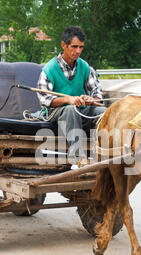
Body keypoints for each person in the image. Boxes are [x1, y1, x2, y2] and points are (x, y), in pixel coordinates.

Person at [36, 26, 105, 163]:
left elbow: (98, 94)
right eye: (74, 46)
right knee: (70, 110)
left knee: (103, 111)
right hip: (56, 112)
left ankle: (106, 150)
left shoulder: (85, 67)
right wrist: (67, 99)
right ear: (63, 45)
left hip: (81, 109)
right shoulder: (49, 69)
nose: (78, 51)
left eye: (81, 47)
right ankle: (79, 157)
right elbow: (44, 99)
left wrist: (91, 99)